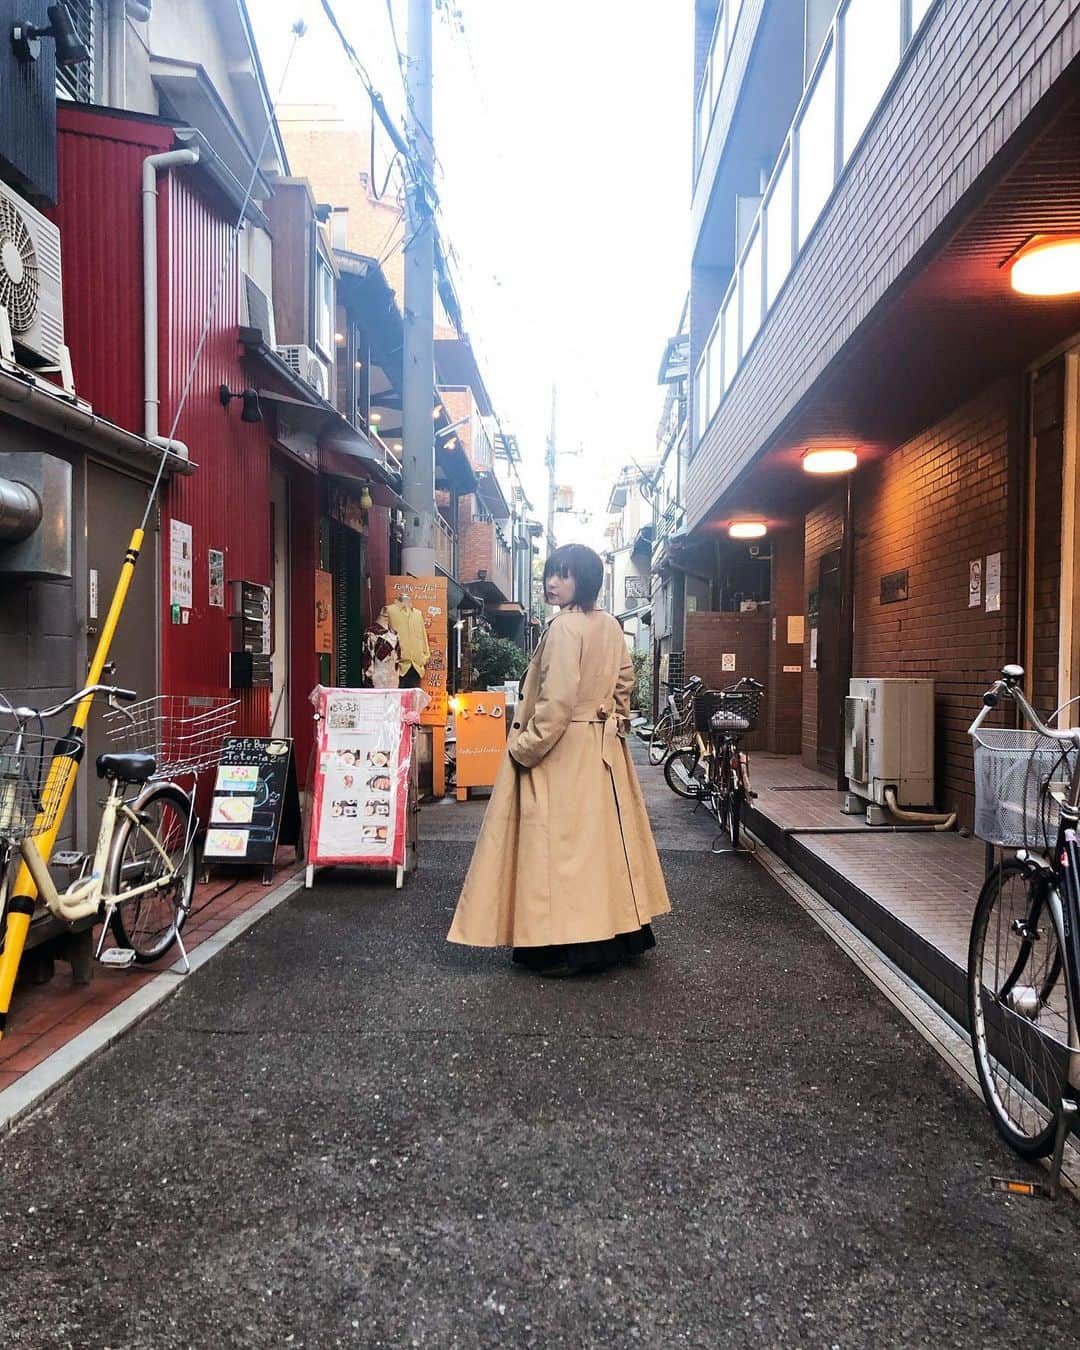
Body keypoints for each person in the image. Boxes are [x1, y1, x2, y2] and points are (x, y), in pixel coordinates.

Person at [448, 543, 671, 976]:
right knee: (600, 846)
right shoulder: (608, 625)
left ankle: (567, 947)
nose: (552, 582)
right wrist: (614, 718)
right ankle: (622, 935)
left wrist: (523, 747)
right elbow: (624, 679)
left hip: (562, 751)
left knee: (561, 850)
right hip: (603, 752)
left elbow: (556, 703)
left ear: (583, 581)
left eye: (563, 575)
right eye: (550, 573)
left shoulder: (565, 629)